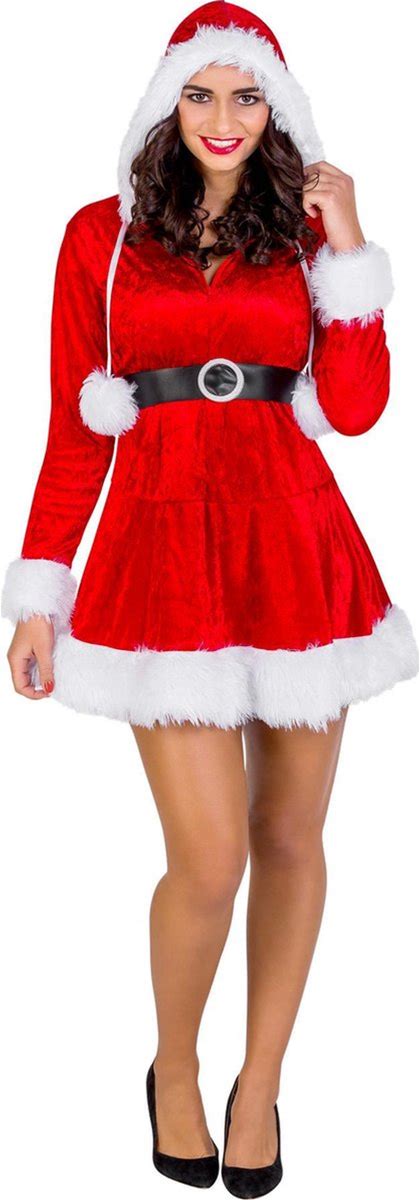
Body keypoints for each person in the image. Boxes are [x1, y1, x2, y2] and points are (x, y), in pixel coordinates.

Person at [1, 2, 418, 1195]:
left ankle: (262, 1084)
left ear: (277, 110)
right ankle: (175, 1067)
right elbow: (73, 427)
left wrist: (351, 246)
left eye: (246, 96)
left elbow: (357, 410)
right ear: (166, 103)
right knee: (212, 856)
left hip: (295, 548)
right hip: (163, 554)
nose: (222, 118)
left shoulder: (308, 231)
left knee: (290, 838)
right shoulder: (103, 237)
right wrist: (39, 590)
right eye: (200, 94)